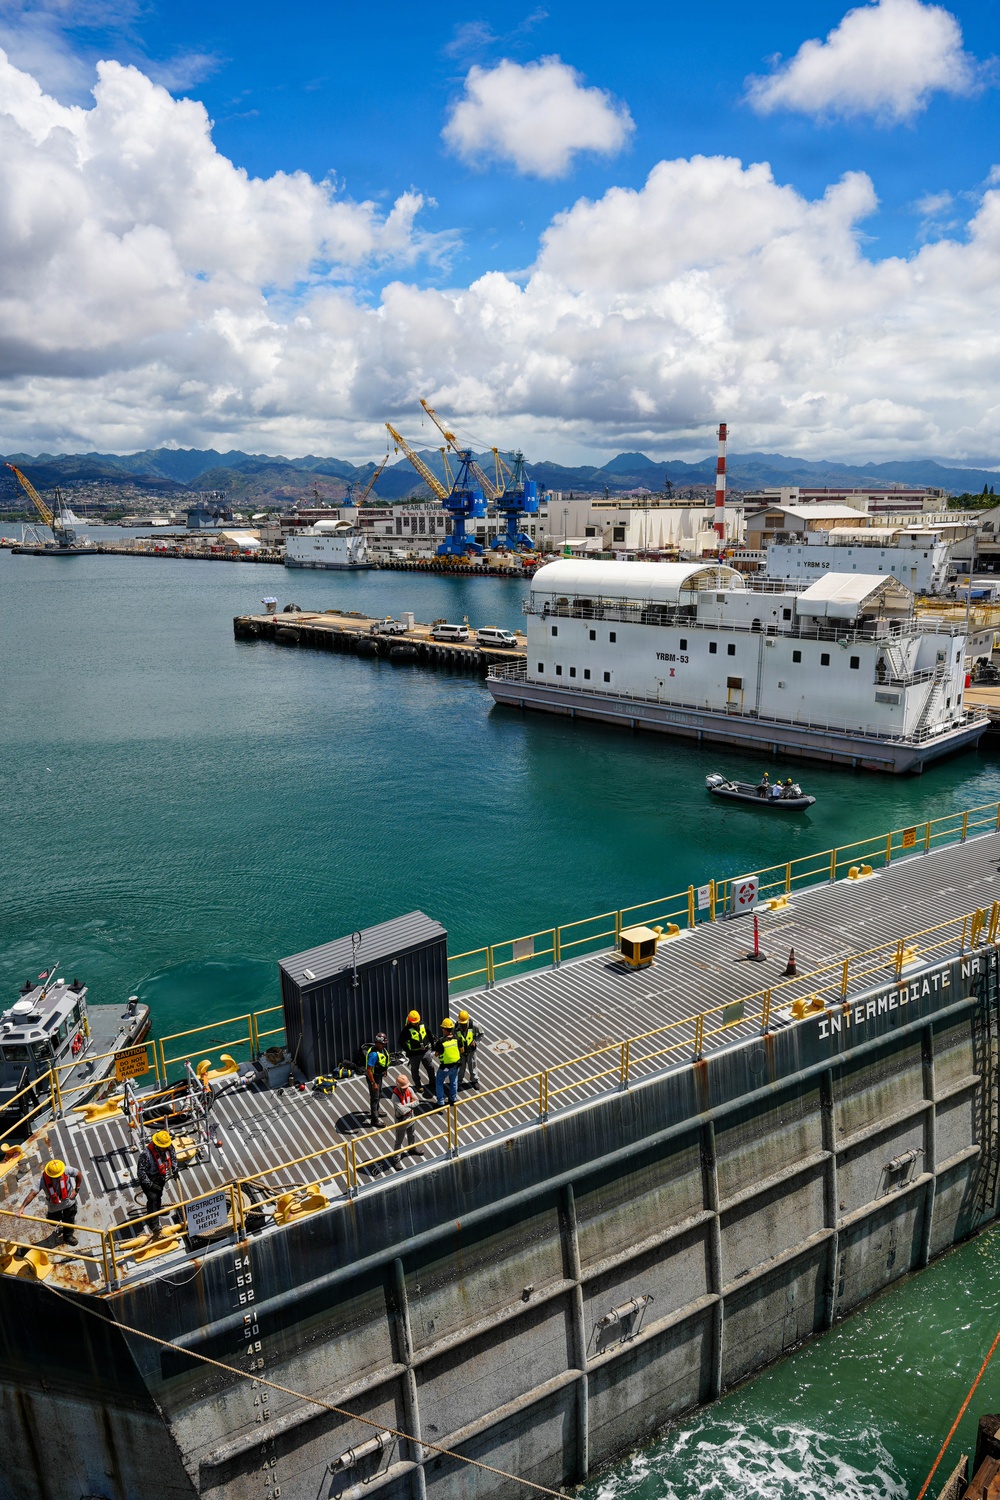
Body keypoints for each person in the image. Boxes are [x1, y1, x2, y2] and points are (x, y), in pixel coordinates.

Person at [20, 1158, 82, 1245]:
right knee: (53, 1221)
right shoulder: (42, 1181)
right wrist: (22, 1208)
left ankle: (68, 1236)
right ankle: (63, 1225)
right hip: (54, 1206)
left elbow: (78, 1173)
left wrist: (76, 1189)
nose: (59, 1176)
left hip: (69, 1203)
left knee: (69, 1220)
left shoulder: (66, 1170)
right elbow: (32, 1194)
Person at [136, 1129, 178, 1233]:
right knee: (153, 1199)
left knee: (159, 1195)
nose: (165, 1148)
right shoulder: (146, 1155)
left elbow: (173, 1156)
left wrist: (175, 1168)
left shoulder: (168, 1147)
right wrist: (150, 1185)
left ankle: (157, 1210)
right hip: (149, 1181)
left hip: (160, 1178)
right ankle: (153, 1224)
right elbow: (141, 1173)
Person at [388, 1071, 425, 1170]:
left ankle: (412, 1148)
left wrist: (408, 1105)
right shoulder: (395, 1096)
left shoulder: (409, 1089)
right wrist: (411, 1105)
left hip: (411, 1117)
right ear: (398, 1086)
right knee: (399, 1141)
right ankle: (396, 1159)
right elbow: (402, 1110)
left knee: (412, 1134)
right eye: (403, 1088)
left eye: (406, 1087)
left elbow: (417, 1101)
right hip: (402, 1121)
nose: (405, 1089)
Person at [398, 1010, 436, 1095]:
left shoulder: (423, 1024)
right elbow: (401, 1041)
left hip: (425, 1052)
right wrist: (408, 1051)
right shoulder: (406, 1030)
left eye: (417, 1022)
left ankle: (433, 1081)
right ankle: (418, 1085)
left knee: (430, 1067)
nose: (416, 1024)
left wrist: (433, 1046)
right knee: (415, 1070)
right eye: (414, 1022)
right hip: (414, 1054)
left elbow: (430, 1034)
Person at [434, 1018, 463, 1106]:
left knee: (439, 1082)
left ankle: (440, 1102)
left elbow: (436, 1054)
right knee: (454, 1081)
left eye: (443, 1028)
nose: (442, 1029)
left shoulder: (441, 1041)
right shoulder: (457, 1039)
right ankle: (453, 1099)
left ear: (445, 1030)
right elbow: (462, 1050)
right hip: (456, 1065)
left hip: (445, 1067)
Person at [365, 1033, 391, 1127]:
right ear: (377, 1043)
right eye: (383, 1043)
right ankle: (374, 1119)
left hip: (379, 1075)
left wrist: (384, 1070)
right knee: (375, 1097)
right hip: (374, 1077)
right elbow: (369, 1070)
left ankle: (376, 1110)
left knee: (379, 1093)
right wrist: (373, 1083)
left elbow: (383, 1061)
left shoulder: (382, 1050)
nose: (385, 1045)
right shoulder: (373, 1055)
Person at [457, 1010, 482, 1090]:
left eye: (464, 1023)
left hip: (471, 1051)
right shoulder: (456, 1027)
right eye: (462, 1023)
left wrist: (476, 1042)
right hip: (461, 1052)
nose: (463, 1025)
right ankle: (458, 1082)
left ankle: (475, 1081)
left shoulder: (474, 1025)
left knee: (473, 1066)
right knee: (461, 1068)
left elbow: (481, 1033)